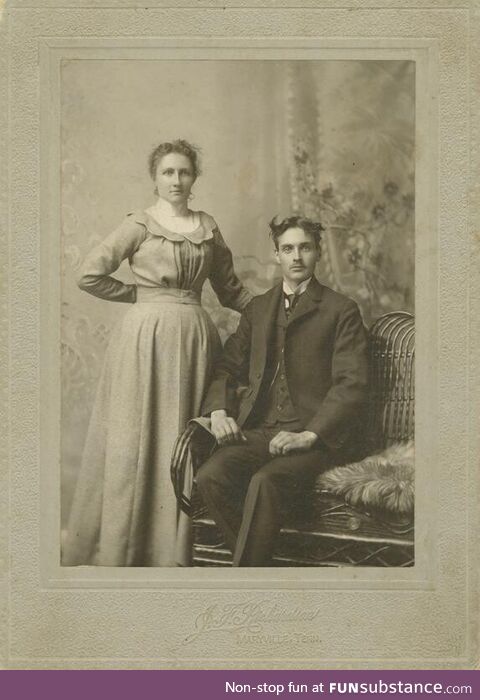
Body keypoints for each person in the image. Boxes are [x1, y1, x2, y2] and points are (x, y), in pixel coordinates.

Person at [63, 139, 252, 567]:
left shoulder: (208, 226)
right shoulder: (139, 224)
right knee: (136, 435)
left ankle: (177, 544)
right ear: (155, 177)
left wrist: (273, 312)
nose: (176, 180)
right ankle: (127, 544)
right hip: (143, 339)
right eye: (168, 172)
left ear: (195, 178)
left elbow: (231, 290)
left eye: (184, 172)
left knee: (184, 435)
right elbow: (88, 274)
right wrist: (136, 295)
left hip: (196, 341)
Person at [195, 215, 368, 566]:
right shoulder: (258, 309)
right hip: (263, 431)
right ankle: (259, 570)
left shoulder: (341, 310)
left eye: (305, 247)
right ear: (276, 255)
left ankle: (250, 580)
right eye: (287, 248)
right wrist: (219, 411)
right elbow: (227, 367)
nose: (297, 257)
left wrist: (310, 434)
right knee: (210, 476)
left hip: (316, 438)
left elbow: (352, 384)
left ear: (317, 252)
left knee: (266, 482)